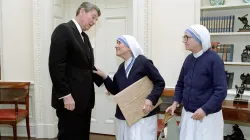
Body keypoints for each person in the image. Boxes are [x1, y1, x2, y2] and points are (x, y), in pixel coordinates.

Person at [48, 2, 103, 140]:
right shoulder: (64, 30)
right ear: (82, 11)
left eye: (96, 20)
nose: (94, 22)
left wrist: (104, 81)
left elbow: (86, 67)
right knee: (69, 136)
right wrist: (65, 95)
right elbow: (56, 65)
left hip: (85, 101)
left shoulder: (84, 37)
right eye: (93, 17)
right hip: (70, 100)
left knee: (82, 135)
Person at [93, 35, 165, 140]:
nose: (115, 46)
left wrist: (150, 99)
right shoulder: (121, 67)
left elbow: (159, 82)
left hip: (143, 115)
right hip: (126, 116)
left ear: (129, 47)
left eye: (119, 43)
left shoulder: (143, 62)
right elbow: (116, 90)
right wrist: (104, 76)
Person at [166, 24, 227, 140]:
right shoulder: (188, 59)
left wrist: (205, 109)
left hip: (207, 118)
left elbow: (221, 91)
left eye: (187, 37)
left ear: (199, 40)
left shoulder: (214, 59)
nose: (184, 41)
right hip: (188, 116)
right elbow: (180, 84)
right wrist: (175, 103)